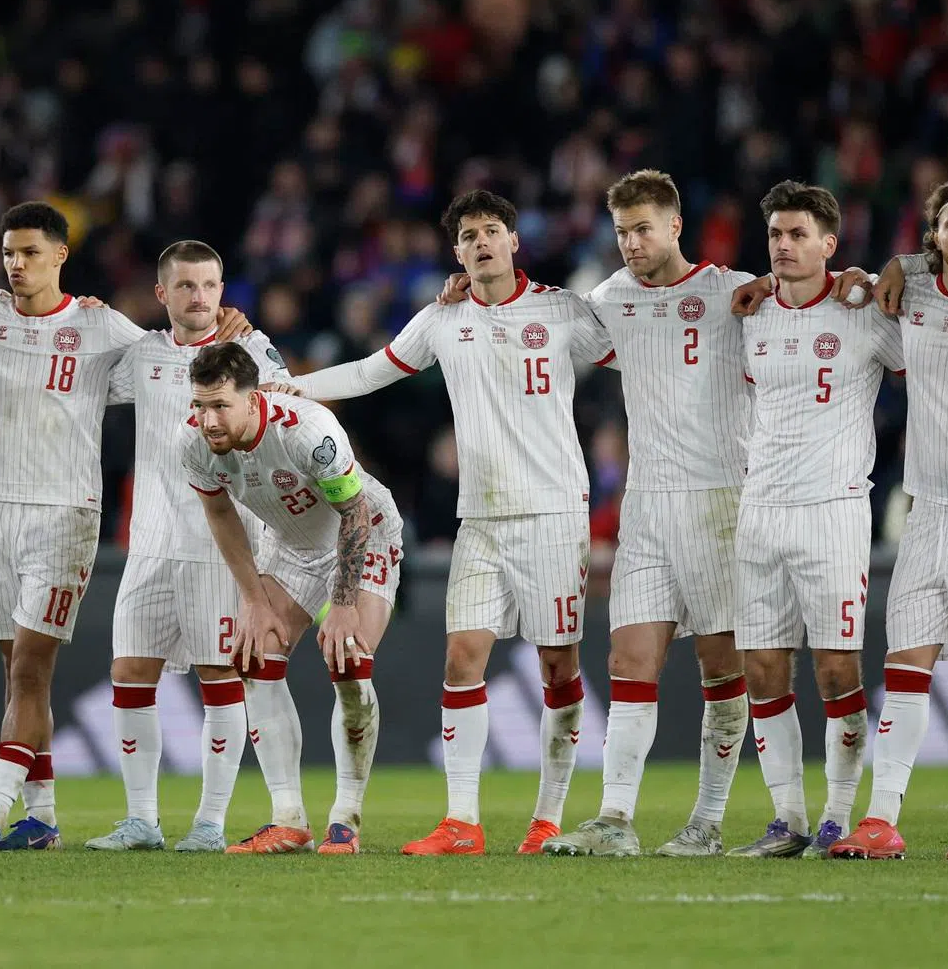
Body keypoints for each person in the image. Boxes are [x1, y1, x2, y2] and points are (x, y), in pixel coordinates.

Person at [291, 189, 616, 856]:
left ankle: (548, 816)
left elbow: (638, 352)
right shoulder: (444, 319)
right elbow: (372, 370)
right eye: (468, 237)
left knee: (559, 668)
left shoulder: (561, 311)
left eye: (492, 231)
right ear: (457, 252)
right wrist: (293, 387)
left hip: (555, 515)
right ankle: (462, 821)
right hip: (482, 520)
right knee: (463, 658)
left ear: (515, 241)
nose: (481, 243)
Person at [0, 202, 250, 851]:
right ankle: (44, 816)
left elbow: (176, 358)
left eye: (28, 252)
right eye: (7, 252)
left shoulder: (100, 325)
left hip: (65, 513)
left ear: (60, 255)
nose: (15, 264)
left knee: (30, 666)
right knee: (18, 674)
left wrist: (225, 331)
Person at [541, 169, 754, 857]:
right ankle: (616, 820)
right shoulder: (610, 299)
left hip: (721, 499)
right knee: (629, 658)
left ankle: (709, 822)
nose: (631, 243)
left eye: (643, 228)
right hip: (647, 505)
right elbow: (534, 319)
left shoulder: (734, 291)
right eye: (622, 231)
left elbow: (818, 297)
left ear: (675, 226)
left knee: (722, 665)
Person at [832, 180, 948, 860]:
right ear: (932, 238)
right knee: (906, 661)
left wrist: (899, 264)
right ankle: (881, 819)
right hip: (929, 510)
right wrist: (895, 267)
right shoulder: (910, 295)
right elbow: (855, 293)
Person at [84, 241, 288, 853]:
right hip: (148, 541)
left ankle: (209, 823)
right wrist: (84, 317)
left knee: (218, 676)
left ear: (223, 292)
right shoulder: (143, 356)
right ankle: (141, 821)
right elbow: (89, 382)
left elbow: (288, 409)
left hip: (219, 545)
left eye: (209, 286)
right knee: (129, 672)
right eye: (186, 286)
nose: (199, 298)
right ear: (162, 294)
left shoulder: (251, 355)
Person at [728, 181, 904, 859]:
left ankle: (835, 816)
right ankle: (788, 819)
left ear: (829, 244)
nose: (783, 245)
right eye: (775, 234)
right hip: (760, 511)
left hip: (833, 511)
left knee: (836, 670)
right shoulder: (751, 316)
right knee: (764, 668)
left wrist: (886, 276)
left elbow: (933, 360)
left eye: (798, 234)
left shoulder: (865, 311)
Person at [181, 341, 403, 856]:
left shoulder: (309, 430)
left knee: (350, 660)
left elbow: (353, 513)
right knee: (255, 657)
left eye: (219, 406)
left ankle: (345, 819)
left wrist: (343, 604)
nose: (208, 421)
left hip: (364, 531)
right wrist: (254, 600)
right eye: (200, 405)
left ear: (252, 398)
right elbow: (221, 517)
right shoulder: (192, 442)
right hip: (289, 546)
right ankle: (288, 819)